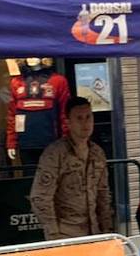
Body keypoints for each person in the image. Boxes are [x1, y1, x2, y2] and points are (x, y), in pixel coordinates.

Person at [28, 97, 114, 241]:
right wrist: (54, 235)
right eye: (79, 118)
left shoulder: (97, 153)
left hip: (95, 233)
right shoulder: (55, 153)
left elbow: (103, 195)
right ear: (68, 122)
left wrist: (107, 230)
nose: (85, 123)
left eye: (88, 117)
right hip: (66, 234)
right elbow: (40, 198)